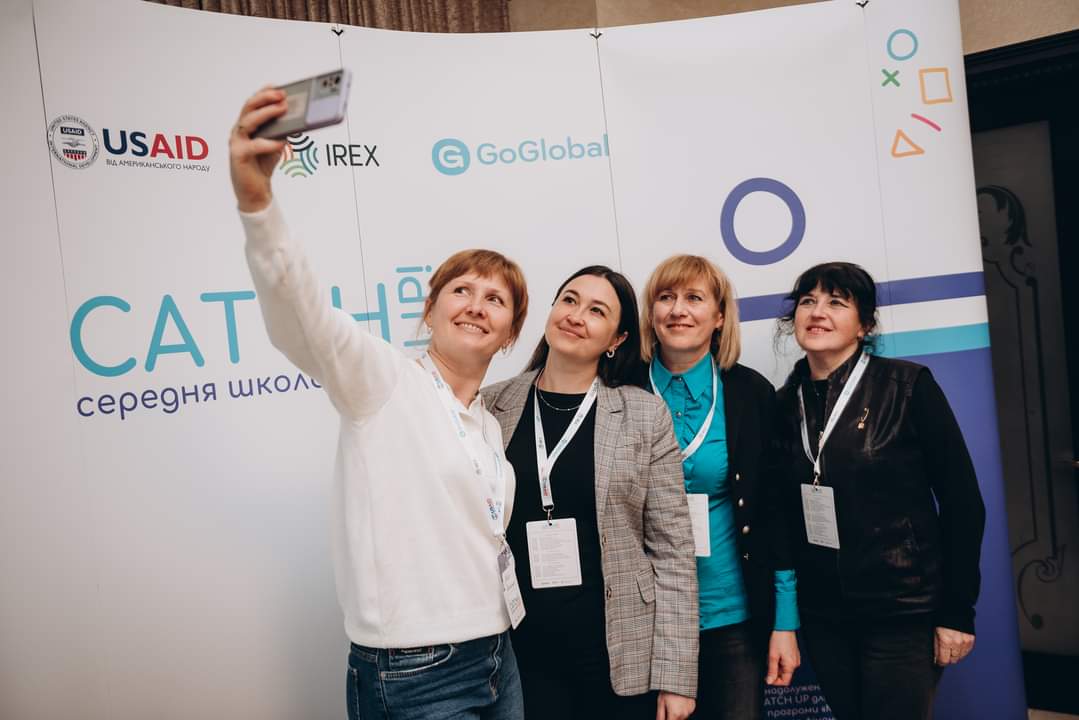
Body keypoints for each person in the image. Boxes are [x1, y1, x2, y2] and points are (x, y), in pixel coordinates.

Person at [230, 87, 530, 720]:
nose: (476, 305)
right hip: (415, 671)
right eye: (461, 290)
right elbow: (303, 317)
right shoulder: (384, 381)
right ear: (430, 309)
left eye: (496, 299)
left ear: (509, 335)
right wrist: (259, 205)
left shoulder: (486, 423)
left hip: (498, 656)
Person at [482, 266, 699, 720]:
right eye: (569, 300)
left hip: (618, 652)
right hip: (521, 655)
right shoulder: (491, 407)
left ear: (617, 338)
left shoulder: (644, 415)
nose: (576, 316)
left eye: (596, 311)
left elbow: (673, 551)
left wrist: (676, 677)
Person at [773, 261, 986, 720]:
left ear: (864, 325)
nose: (818, 312)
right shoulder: (784, 404)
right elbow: (782, 517)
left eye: (836, 302)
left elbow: (963, 502)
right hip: (825, 615)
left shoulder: (907, 387)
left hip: (901, 610)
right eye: (808, 301)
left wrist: (957, 610)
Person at [641, 254, 801, 719]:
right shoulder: (620, 390)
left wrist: (784, 621)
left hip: (731, 615)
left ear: (719, 317)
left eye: (694, 298)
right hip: (648, 620)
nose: (678, 310)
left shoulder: (751, 393)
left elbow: (775, 512)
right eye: (666, 297)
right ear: (651, 314)